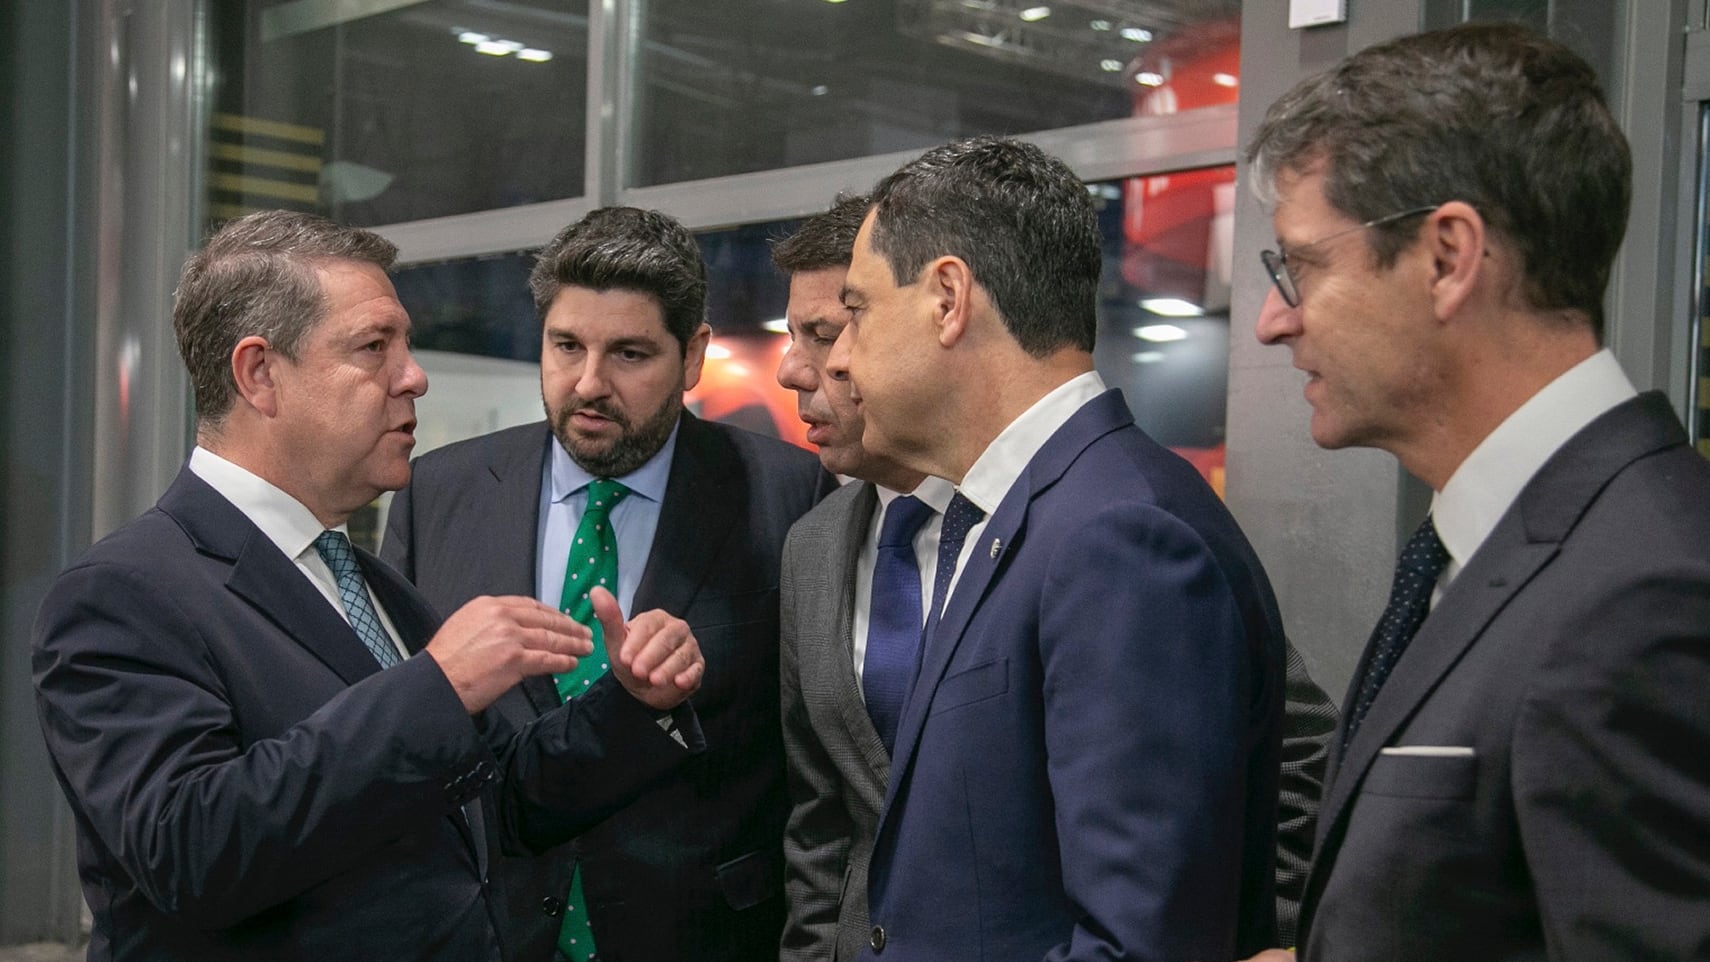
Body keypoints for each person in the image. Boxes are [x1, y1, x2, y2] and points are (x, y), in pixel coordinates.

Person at [31, 210, 706, 962]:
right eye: (373, 347)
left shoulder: (368, 580)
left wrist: (634, 707)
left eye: (406, 346)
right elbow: (192, 849)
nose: (413, 375)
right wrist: (438, 686)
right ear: (259, 374)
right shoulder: (123, 593)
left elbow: (492, 804)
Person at [1243, 22, 1710, 962]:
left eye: (1302, 265)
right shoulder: (1482, 551)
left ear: (1449, 256)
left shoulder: (1648, 594)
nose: (1271, 321)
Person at [774, 194, 1339, 960]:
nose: (834, 360)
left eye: (857, 312)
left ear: (948, 300)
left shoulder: (1118, 531)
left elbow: (1140, 935)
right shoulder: (1020, 511)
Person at [382, 206, 836, 962]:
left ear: (692, 357)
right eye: (566, 347)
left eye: (628, 354)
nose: (588, 383)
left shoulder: (792, 496)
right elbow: (403, 734)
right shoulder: (440, 493)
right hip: (486, 934)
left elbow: (819, 762)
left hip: (704, 936)